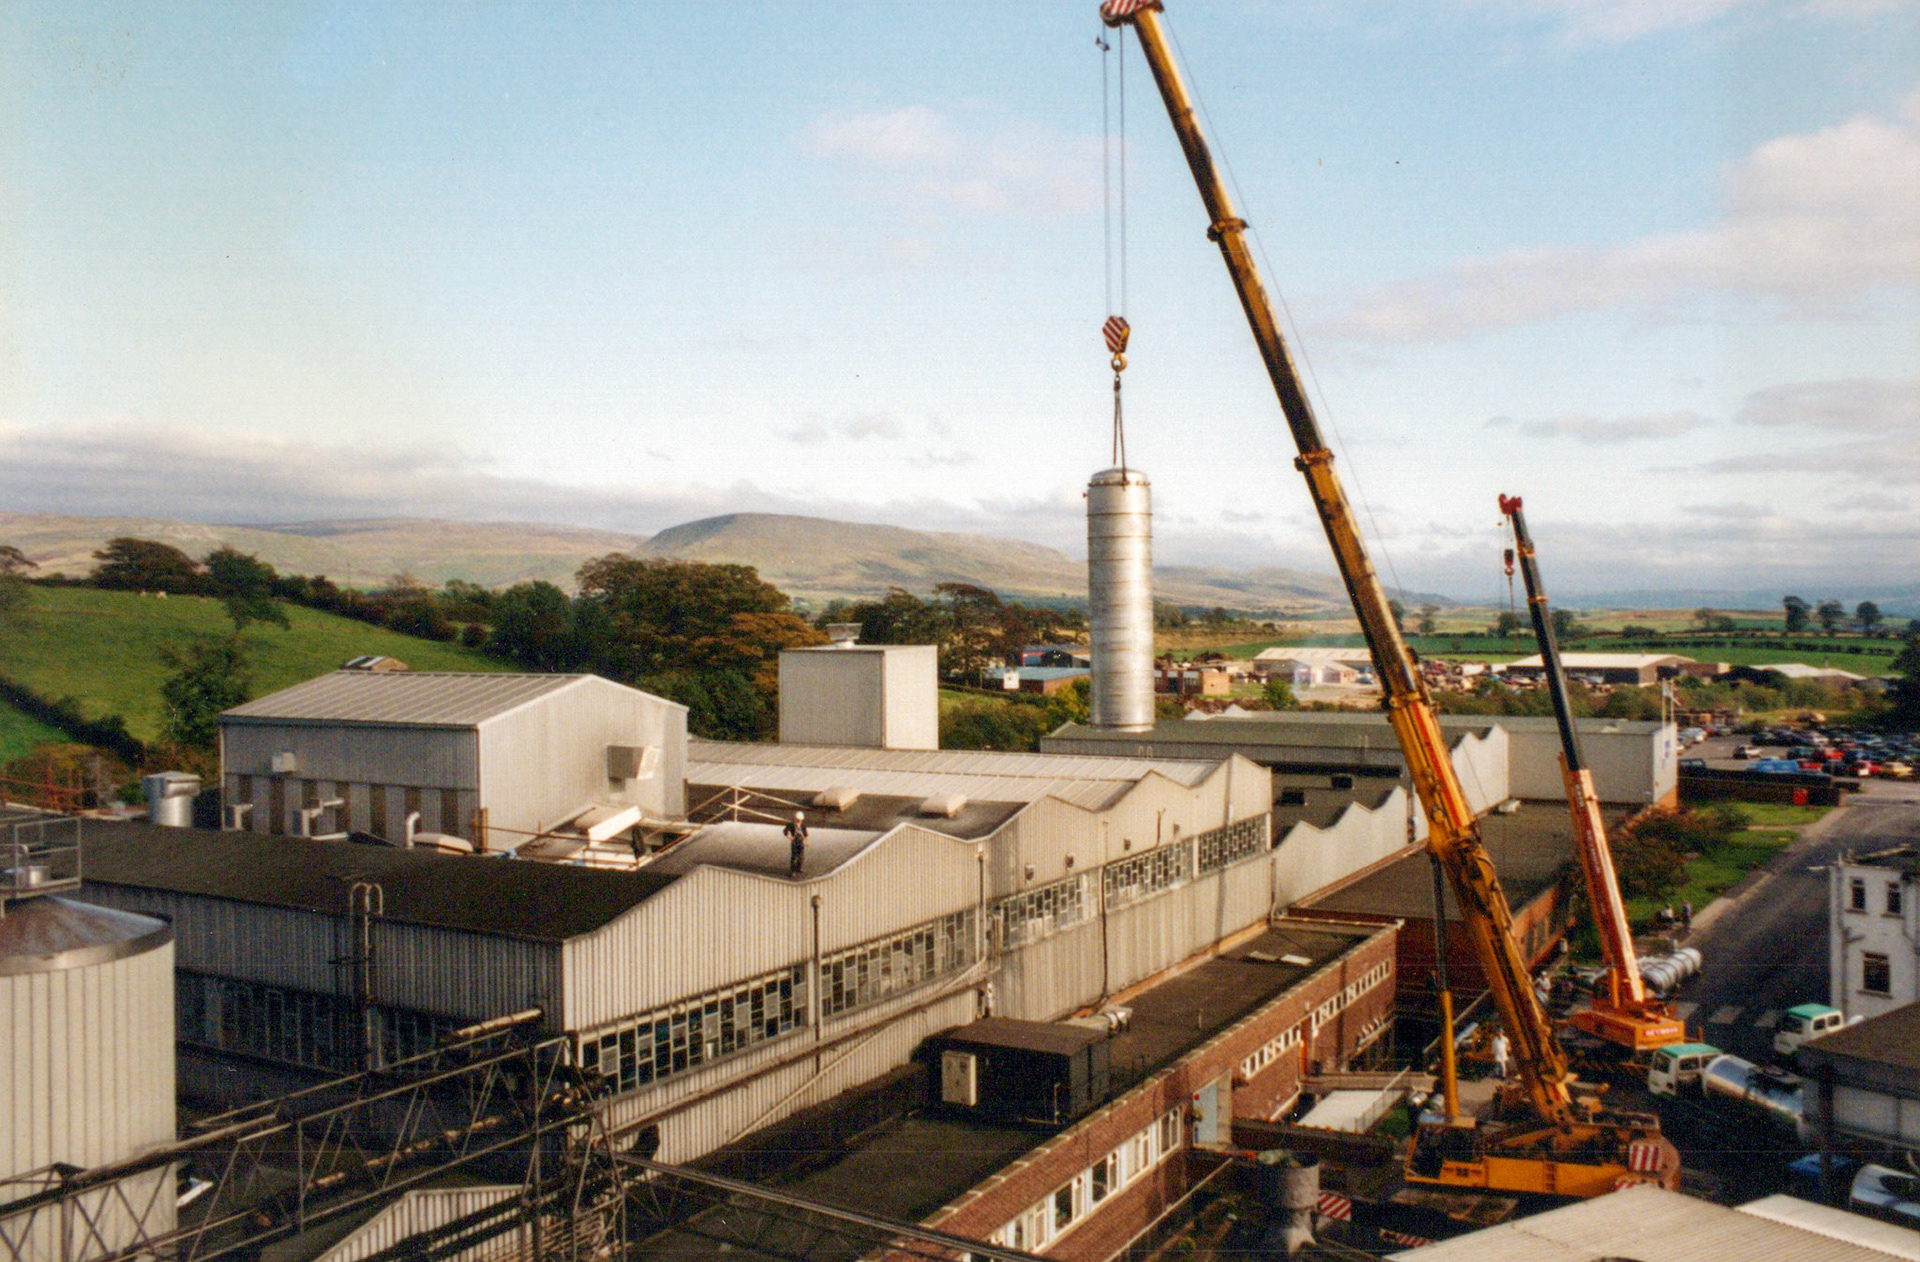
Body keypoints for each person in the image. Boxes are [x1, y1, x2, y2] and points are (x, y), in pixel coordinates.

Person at [784, 811, 808, 878]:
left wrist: (807, 841)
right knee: (794, 856)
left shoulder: (803, 825)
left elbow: (805, 833)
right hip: (795, 842)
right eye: (798, 820)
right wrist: (790, 837)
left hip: (801, 841)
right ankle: (793, 871)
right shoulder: (791, 824)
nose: (799, 821)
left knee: (801, 857)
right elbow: (785, 831)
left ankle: (798, 868)